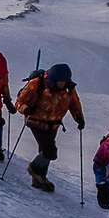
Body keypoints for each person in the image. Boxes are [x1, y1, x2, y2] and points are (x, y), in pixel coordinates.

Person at [13, 62, 84, 191]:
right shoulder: (37, 83)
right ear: (53, 78)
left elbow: (74, 103)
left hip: (53, 124)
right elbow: (19, 102)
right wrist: (26, 109)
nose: (62, 84)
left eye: (64, 81)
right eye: (60, 81)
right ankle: (34, 168)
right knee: (49, 151)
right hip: (35, 121)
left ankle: (39, 179)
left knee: (44, 150)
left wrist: (79, 118)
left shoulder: (68, 88)